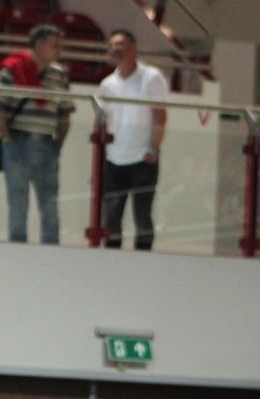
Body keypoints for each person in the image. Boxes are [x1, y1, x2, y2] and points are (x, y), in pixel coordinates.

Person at [0, 24, 74, 246]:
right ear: (39, 45)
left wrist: (58, 143)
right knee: (18, 200)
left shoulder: (59, 74)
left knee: (50, 201)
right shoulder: (14, 68)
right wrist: (7, 138)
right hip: (18, 142)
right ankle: (18, 245)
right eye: (54, 45)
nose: (58, 50)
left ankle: (51, 246)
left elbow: (65, 112)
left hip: (47, 142)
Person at [98, 30, 168, 251]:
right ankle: (111, 259)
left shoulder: (152, 77)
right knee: (111, 215)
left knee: (142, 214)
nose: (115, 49)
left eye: (120, 44)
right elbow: (102, 119)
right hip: (114, 159)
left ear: (133, 47)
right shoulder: (107, 83)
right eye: (112, 45)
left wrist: (153, 148)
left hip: (143, 158)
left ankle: (143, 259)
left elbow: (160, 116)